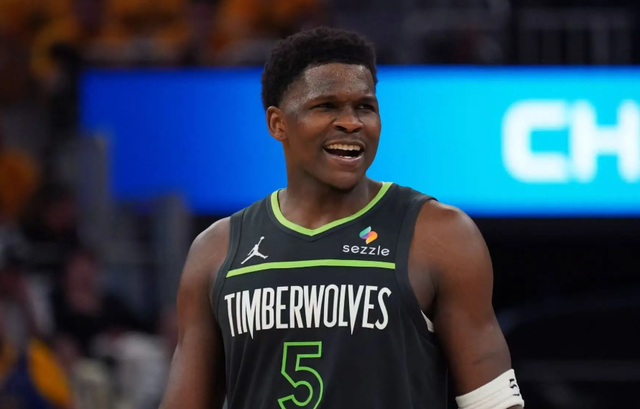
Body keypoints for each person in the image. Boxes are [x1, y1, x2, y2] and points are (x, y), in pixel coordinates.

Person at [159, 26, 524, 409]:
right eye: (326, 106)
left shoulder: (440, 235)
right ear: (278, 123)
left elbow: (494, 403)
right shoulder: (217, 250)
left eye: (364, 107)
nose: (351, 122)